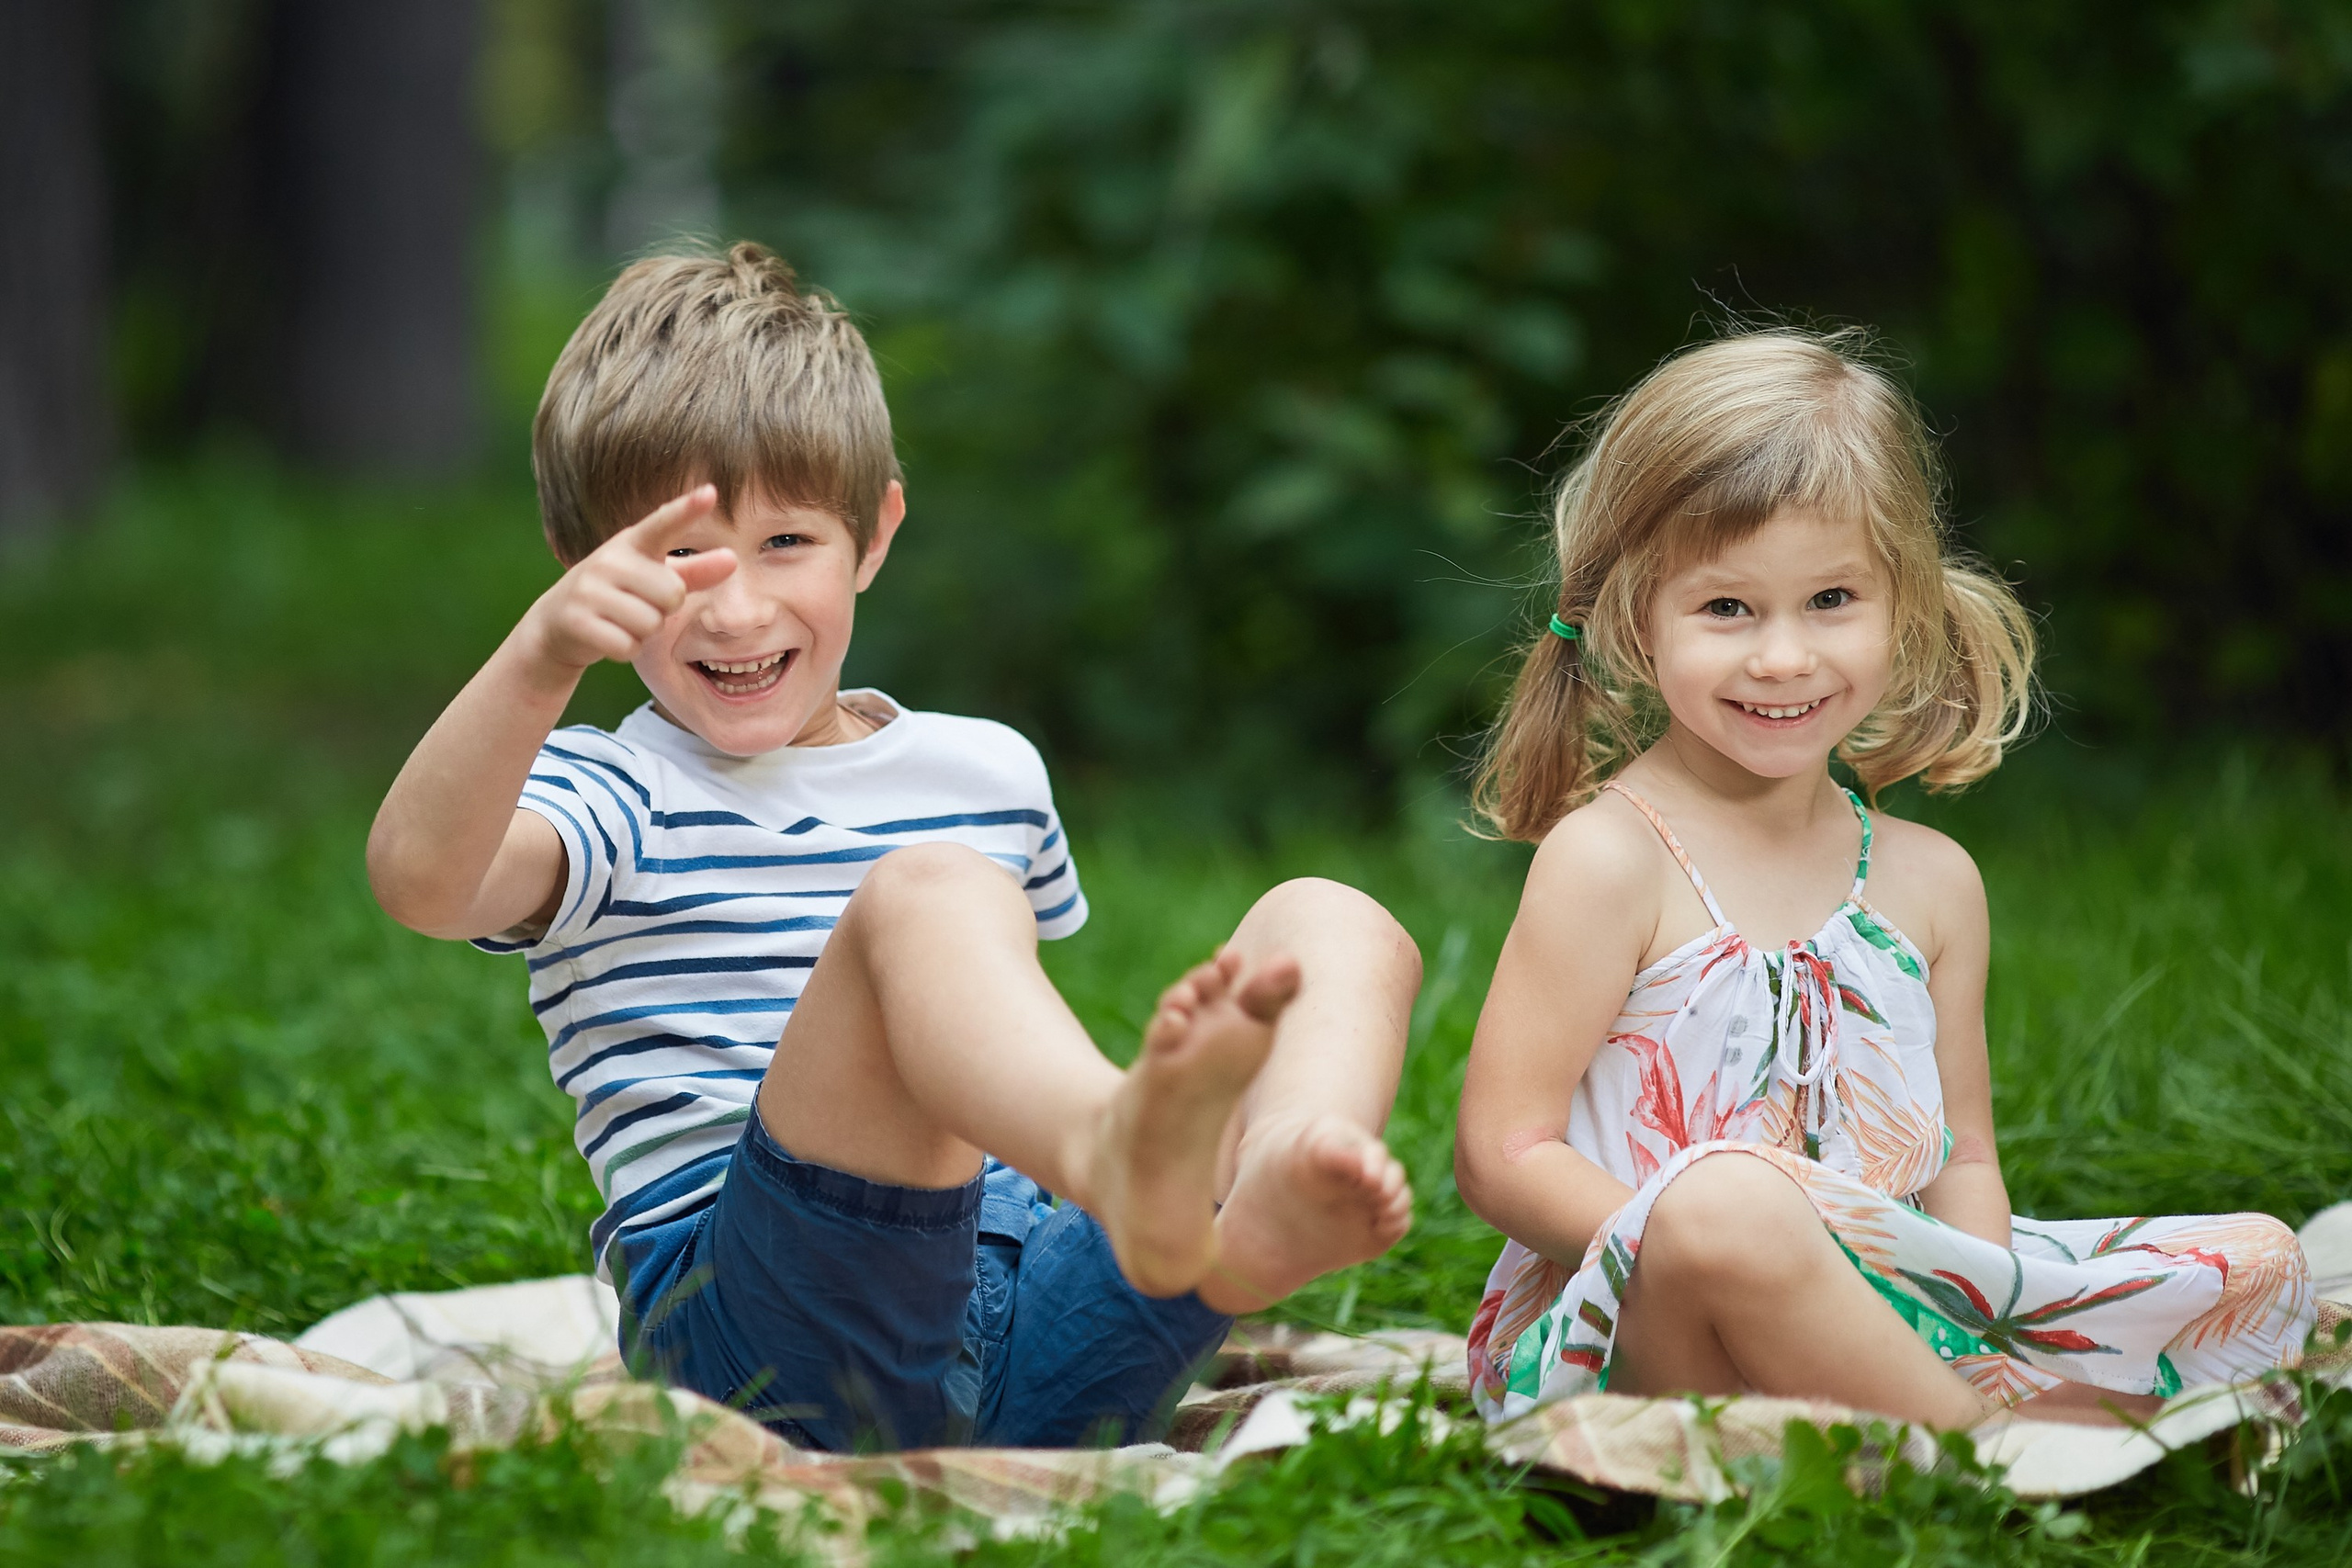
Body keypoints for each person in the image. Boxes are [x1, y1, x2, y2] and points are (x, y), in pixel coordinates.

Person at [366, 242, 1420, 1452]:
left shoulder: (986, 771)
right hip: (763, 1338)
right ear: (581, 565)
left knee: (1333, 914)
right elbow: (420, 879)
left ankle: (1273, 1183)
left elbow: (978, 1042)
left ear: (875, 533)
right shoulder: (609, 790)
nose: (736, 607)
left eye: (787, 544)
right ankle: (1117, 1152)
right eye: (677, 556)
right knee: (924, 893)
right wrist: (538, 657)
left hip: (1038, 1333)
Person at [1453, 330, 2312, 1430]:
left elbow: (1961, 1159)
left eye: (1829, 601)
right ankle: (1993, 1460)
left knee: (2260, 1260)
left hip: (1895, 1303)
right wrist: (1705, 1241)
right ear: (1634, 616)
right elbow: (1502, 1154)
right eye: (1726, 609)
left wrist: (1992, 1312)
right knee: (1729, 1205)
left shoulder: (1930, 882)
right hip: (1638, 1323)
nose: (1782, 657)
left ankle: (1949, 1408)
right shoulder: (1612, 859)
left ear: (1900, 604)